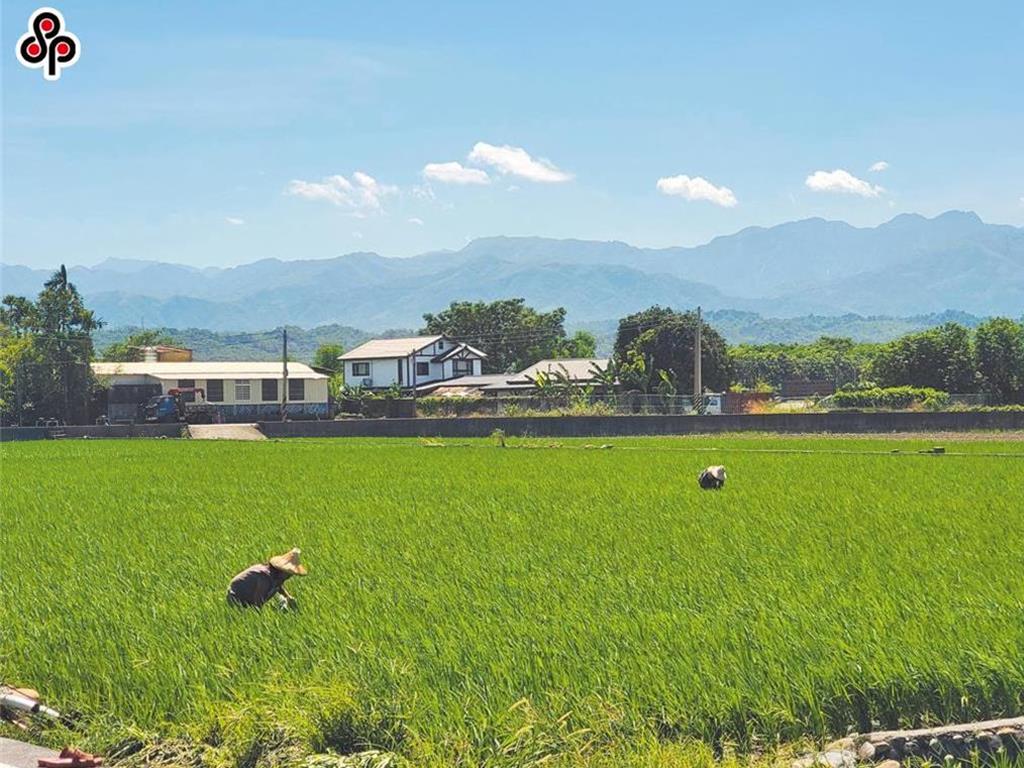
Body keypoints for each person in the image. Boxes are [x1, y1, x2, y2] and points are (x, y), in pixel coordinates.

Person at [227, 548, 307, 609]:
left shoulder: (275, 575)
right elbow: (257, 602)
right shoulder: (265, 577)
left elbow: (278, 586)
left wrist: (288, 597)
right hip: (236, 597)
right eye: (288, 574)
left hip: (245, 597)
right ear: (281, 570)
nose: (290, 577)